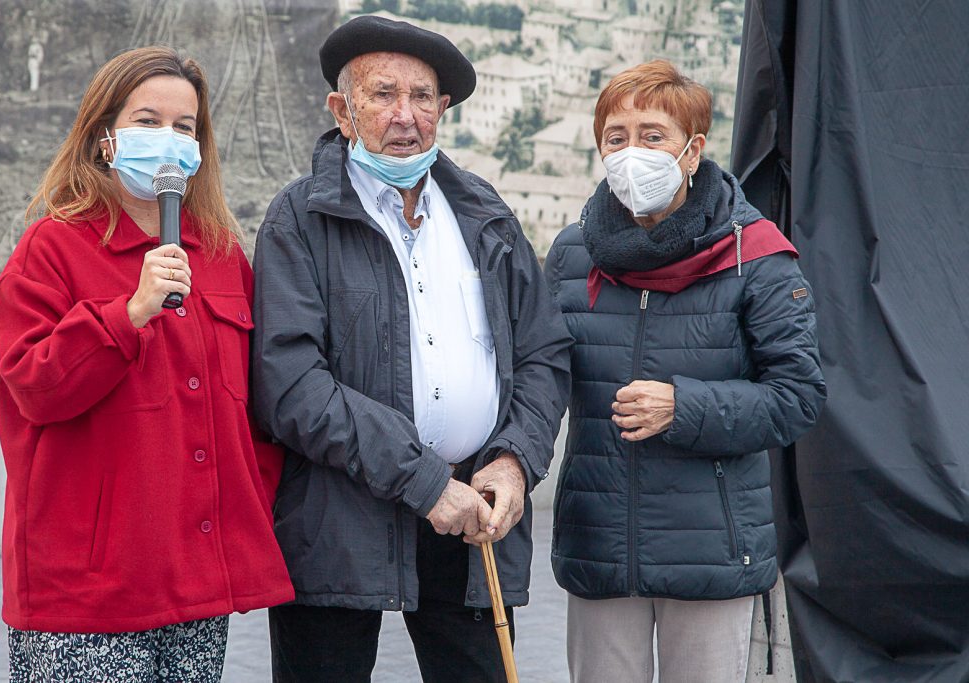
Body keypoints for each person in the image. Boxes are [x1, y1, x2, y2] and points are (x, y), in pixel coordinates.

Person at [251, 15, 573, 683]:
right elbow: (291, 385)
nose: (405, 116)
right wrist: (426, 481)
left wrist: (514, 460)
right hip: (338, 525)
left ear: (443, 109)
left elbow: (543, 354)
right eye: (382, 94)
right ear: (342, 111)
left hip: (472, 518)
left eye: (422, 96)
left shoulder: (486, 214)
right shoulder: (300, 218)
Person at [0, 46, 293, 681]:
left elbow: (253, 406)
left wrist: (248, 503)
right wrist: (126, 313)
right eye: (148, 121)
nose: (170, 141)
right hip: (87, 594)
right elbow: (33, 387)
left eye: (185, 128)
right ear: (105, 138)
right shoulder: (53, 247)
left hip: (194, 584)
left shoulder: (218, 253)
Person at [544, 60, 827, 683]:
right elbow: (536, 379)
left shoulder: (756, 256)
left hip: (713, 550)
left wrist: (686, 407)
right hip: (600, 546)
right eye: (616, 137)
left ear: (692, 150)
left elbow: (799, 395)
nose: (631, 152)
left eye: (653, 135)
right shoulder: (571, 255)